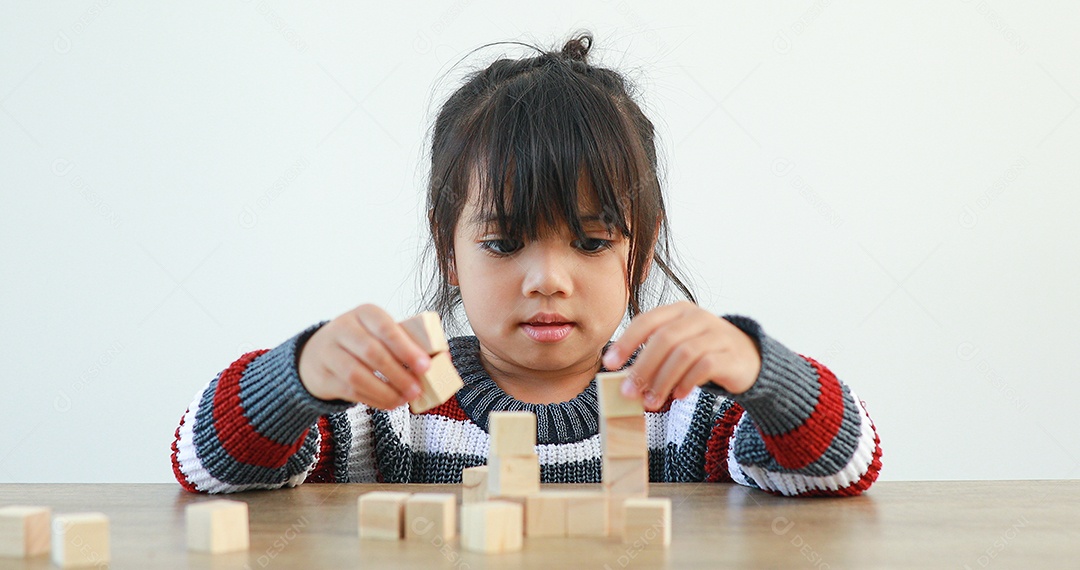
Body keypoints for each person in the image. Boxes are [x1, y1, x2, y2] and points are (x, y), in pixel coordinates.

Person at [171, 32, 881, 497]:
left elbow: (841, 464)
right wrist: (297, 378)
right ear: (447, 249)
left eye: (593, 241)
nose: (548, 279)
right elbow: (209, 465)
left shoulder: (685, 409)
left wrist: (760, 370)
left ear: (643, 246)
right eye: (505, 244)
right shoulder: (392, 409)